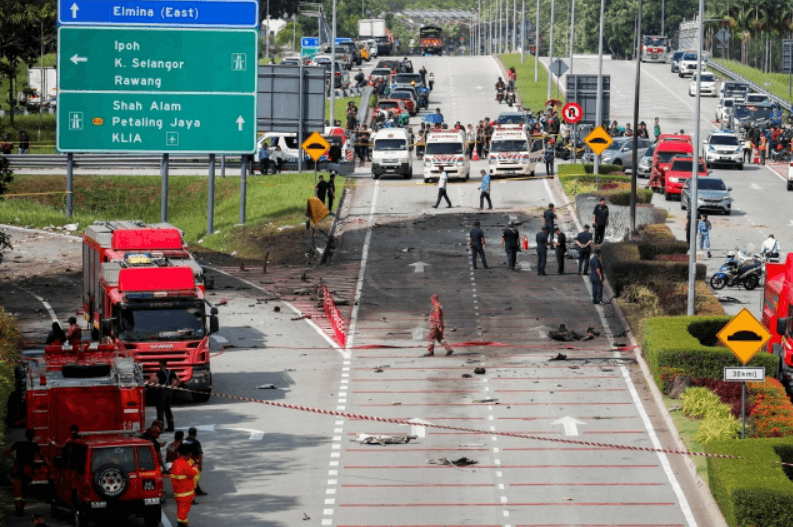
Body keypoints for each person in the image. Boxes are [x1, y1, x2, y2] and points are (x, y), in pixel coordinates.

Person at [5, 429, 43, 516]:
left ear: (25, 435)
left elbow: (7, 451)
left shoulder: (18, 444)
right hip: (27, 470)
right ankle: (21, 507)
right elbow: (41, 455)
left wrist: (13, 458)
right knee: (24, 490)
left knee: (17, 490)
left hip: (17, 468)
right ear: (33, 436)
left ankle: (18, 508)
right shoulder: (34, 445)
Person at [170, 443, 199, 527]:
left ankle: (182, 523)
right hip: (186, 493)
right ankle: (182, 524)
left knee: (181, 509)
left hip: (177, 492)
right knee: (183, 511)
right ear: (187, 454)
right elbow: (192, 473)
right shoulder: (185, 464)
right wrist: (195, 467)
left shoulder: (175, 463)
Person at [183, 427, 208, 496]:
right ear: (195, 434)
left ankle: (194, 489)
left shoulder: (183, 441)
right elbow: (199, 454)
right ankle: (195, 490)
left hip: (184, 461)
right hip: (193, 462)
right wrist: (200, 464)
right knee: (195, 476)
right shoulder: (196, 442)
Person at [154, 361, 178, 432]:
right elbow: (178, 379)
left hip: (162, 391)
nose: (159, 366)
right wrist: (174, 386)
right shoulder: (172, 372)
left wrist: (155, 387)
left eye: (160, 365)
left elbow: (154, 381)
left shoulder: (159, 372)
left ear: (163, 365)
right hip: (169, 391)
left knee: (160, 409)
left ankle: (160, 428)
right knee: (168, 409)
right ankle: (171, 427)